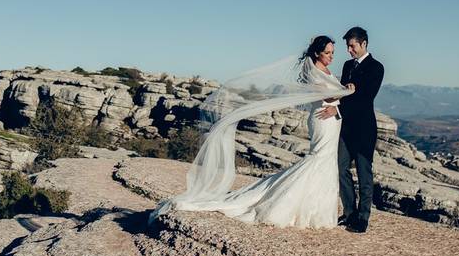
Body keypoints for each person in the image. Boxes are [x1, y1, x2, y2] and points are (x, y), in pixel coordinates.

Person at [149, 35, 353, 228]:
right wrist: (348, 92)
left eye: (332, 53)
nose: (331, 56)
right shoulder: (313, 72)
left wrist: (342, 94)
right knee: (318, 159)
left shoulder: (326, 71)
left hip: (333, 119)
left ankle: (316, 210)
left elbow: (332, 96)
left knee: (326, 161)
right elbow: (324, 96)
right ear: (317, 53)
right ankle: (291, 207)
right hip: (322, 119)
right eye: (327, 53)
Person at [316, 26, 384, 233]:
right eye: (347, 46)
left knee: (364, 173)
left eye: (352, 46)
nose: (349, 50)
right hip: (345, 128)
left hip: (364, 129)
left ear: (363, 44)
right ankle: (349, 212)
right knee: (341, 168)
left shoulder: (376, 67)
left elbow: (365, 98)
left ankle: (363, 218)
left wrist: (336, 108)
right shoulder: (347, 66)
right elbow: (342, 93)